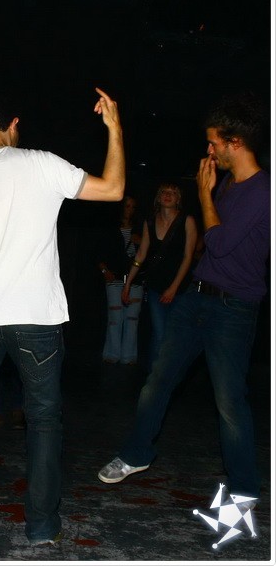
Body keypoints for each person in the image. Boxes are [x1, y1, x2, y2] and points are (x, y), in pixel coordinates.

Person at [0, 87, 125, 547]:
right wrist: (114, 129)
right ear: (14, 125)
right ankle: (41, 526)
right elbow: (114, 189)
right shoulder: (42, 164)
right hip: (37, 317)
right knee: (44, 421)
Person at [98, 92, 270, 506]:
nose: (209, 150)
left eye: (213, 142)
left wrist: (205, 194)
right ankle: (136, 453)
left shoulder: (264, 190)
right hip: (197, 298)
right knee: (157, 381)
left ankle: (244, 490)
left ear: (234, 142)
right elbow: (211, 243)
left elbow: (220, 243)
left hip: (233, 308)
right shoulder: (228, 183)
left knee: (229, 402)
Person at [122, 183, 197, 370]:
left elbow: (188, 257)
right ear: (158, 197)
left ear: (178, 199)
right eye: (164, 192)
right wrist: (128, 283)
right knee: (159, 332)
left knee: (177, 334)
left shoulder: (187, 221)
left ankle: (171, 374)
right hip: (156, 285)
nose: (168, 195)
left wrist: (173, 287)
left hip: (181, 288)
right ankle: (154, 377)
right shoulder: (150, 222)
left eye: (173, 192)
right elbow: (141, 254)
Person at [96, 195, 143, 365]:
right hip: (114, 277)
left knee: (132, 319)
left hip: (135, 279)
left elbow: (150, 253)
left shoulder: (141, 229)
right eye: (127, 206)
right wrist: (104, 270)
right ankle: (112, 354)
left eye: (132, 206)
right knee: (115, 317)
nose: (129, 210)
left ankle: (129, 356)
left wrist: (141, 242)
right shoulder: (110, 228)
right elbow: (97, 251)